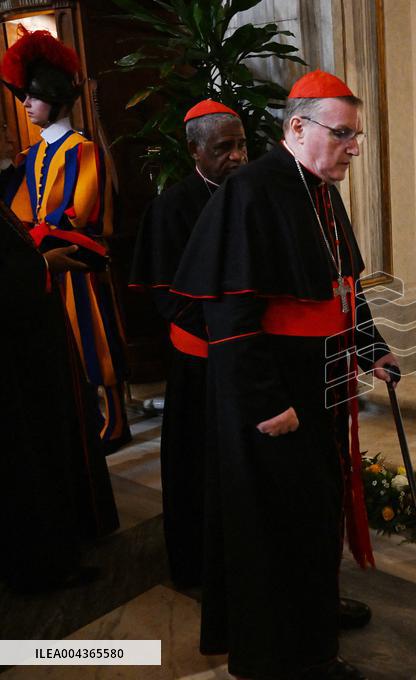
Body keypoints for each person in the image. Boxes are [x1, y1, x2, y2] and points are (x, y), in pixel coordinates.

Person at [172, 71, 397, 680]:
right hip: (276, 393)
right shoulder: (252, 189)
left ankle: (314, 612)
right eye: (343, 134)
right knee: (279, 525)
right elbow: (230, 311)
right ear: (298, 128)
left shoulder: (320, 188)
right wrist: (268, 401)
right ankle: (293, 653)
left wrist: (369, 347)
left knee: (315, 510)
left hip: (316, 379)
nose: (354, 147)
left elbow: (343, 287)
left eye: (356, 134)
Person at [129, 99, 248, 588]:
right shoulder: (172, 206)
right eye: (225, 147)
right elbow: (167, 295)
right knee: (199, 470)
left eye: (243, 144)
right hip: (200, 361)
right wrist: (225, 330)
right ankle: (200, 568)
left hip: (246, 355)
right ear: (194, 149)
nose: (238, 156)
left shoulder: (255, 193)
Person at [0, 27, 131, 453]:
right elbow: (21, 208)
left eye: (32, 97)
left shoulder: (83, 150)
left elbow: (81, 213)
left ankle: (115, 421)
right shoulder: (32, 153)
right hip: (44, 262)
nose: (25, 105)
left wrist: (38, 233)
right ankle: (85, 416)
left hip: (78, 259)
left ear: (54, 97)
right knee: (66, 344)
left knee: (95, 338)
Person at [0, 192, 118, 592]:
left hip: (33, 345)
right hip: (17, 360)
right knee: (28, 456)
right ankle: (42, 566)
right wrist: (42, 265)